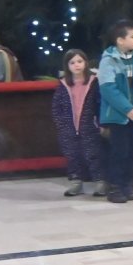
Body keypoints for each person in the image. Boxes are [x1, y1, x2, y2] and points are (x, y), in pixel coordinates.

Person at [97, 20, 133, 203]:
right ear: (120, 40)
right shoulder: (108, 60)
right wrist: (128, 109)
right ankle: (115, 186)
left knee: (131, 150)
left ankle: (128, 184)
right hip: (117, 116)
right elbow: (108, 89)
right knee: (118, 151)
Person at [51, 49, 107, 197]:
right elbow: (57, 107)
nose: (76, 65)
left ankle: (100, 182)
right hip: (68, 128)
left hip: (89, 126)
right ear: (67, 66)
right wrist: (61, 124)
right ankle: (76, 182)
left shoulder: (93, 82)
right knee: (72, 155)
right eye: (72, 62)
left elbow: (100, 104)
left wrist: (100, 123)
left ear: (86, 63)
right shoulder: (63, 85)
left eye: (80, 61)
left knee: (93, 154)